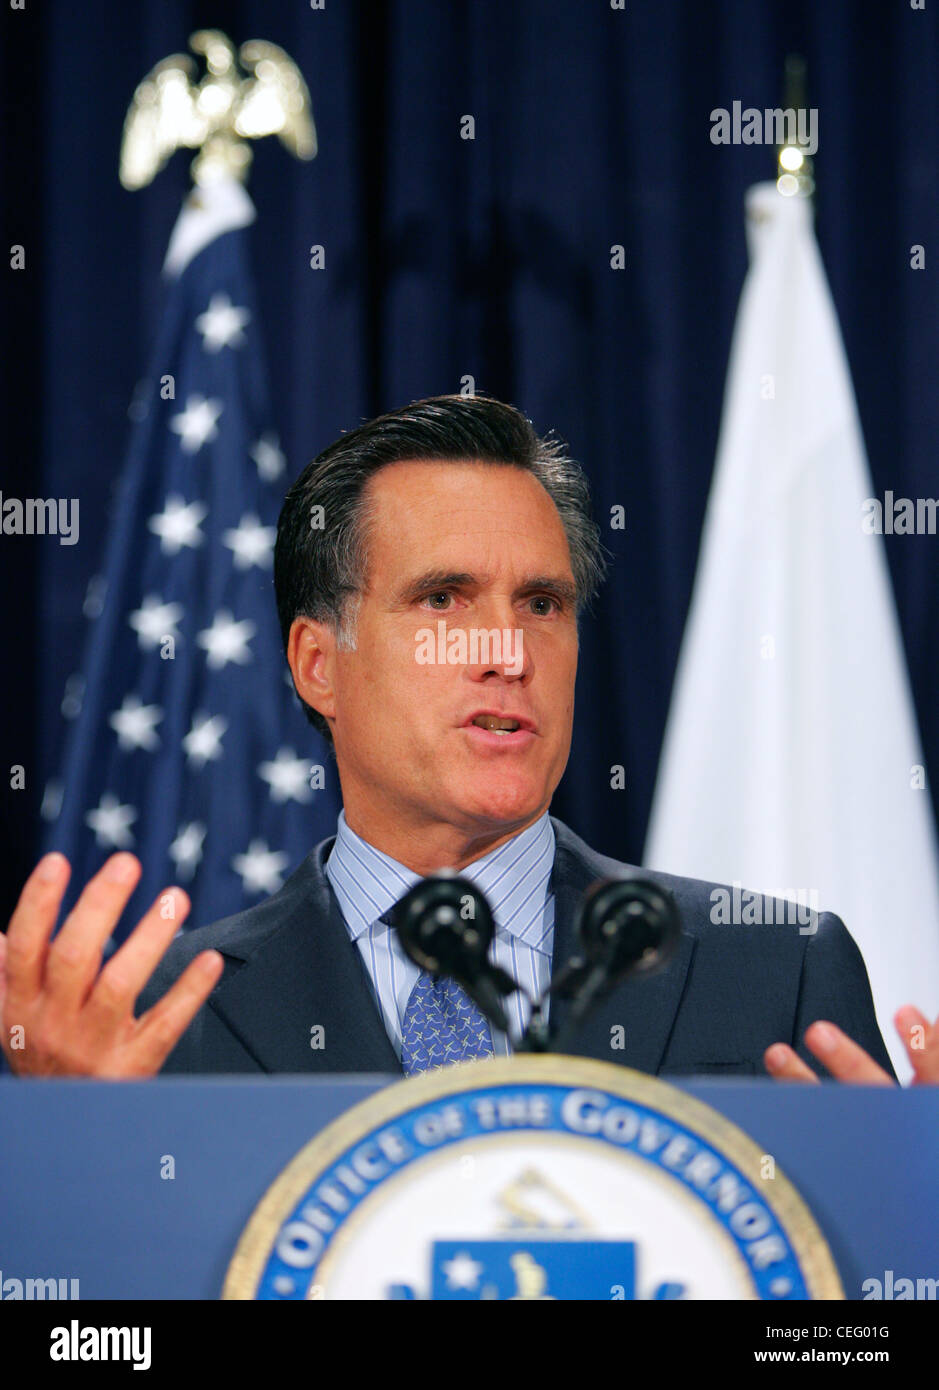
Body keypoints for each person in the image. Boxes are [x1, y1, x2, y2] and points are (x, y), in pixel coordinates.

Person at [1, 396, 935, 1083]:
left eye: (541, 604)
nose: (507, 652)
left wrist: (911, 1235)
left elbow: (841, 1344)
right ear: (317, 663)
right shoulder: (144, 1025)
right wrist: (78, 1149)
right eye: (442, 599)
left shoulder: (774, 968)